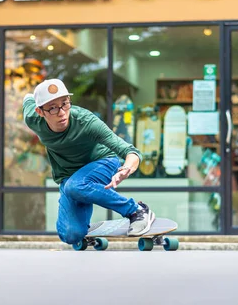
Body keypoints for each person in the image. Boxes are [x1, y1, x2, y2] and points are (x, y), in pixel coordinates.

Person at [22, 78, 155, 245]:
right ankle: (80, 226)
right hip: (70, 177)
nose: (62, 112)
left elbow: (131, 151)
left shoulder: (87, 122)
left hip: (103, 162)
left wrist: (126, 168)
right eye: (53, 108)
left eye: (65, 104)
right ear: (40, 111)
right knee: (70, 235)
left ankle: (136, 210)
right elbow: (27, 98)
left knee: (76, 185)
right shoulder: (33, 118)